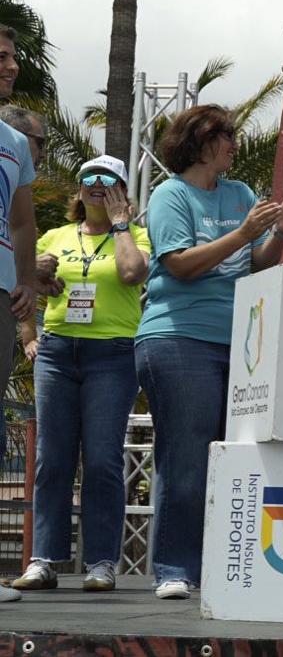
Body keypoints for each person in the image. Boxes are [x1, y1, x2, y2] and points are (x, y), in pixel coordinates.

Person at [135, 105, 283, 600]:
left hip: (240, 344)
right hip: (178, 339)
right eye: (226, 136)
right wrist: (242, 233)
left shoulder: (239, 194)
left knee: (230, 458)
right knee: (187, 458)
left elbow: (253, 268)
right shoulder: (170, 195)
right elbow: (180, 268)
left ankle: (219, 563)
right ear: (198, 141)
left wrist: (280, 232)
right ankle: (175, 568)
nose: (235, 144)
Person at [9, 156, 149, 594]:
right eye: (89, 177)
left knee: (104, 459)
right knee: (52, 458)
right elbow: (23, 282)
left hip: (112, 353)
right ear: (79, 188)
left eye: (108, 179)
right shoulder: (56, 235)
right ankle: (44, 560)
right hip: (57, 352)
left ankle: (102, 561)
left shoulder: (138, 234)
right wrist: (35, 290)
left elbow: (130, 273)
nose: (97, 184)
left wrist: (121, 223)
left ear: (122, 190)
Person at [0, 31, 39, 605]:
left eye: (9, 57)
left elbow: (24, 221)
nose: (8, 65)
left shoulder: (15, 142)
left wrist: (28, 280)